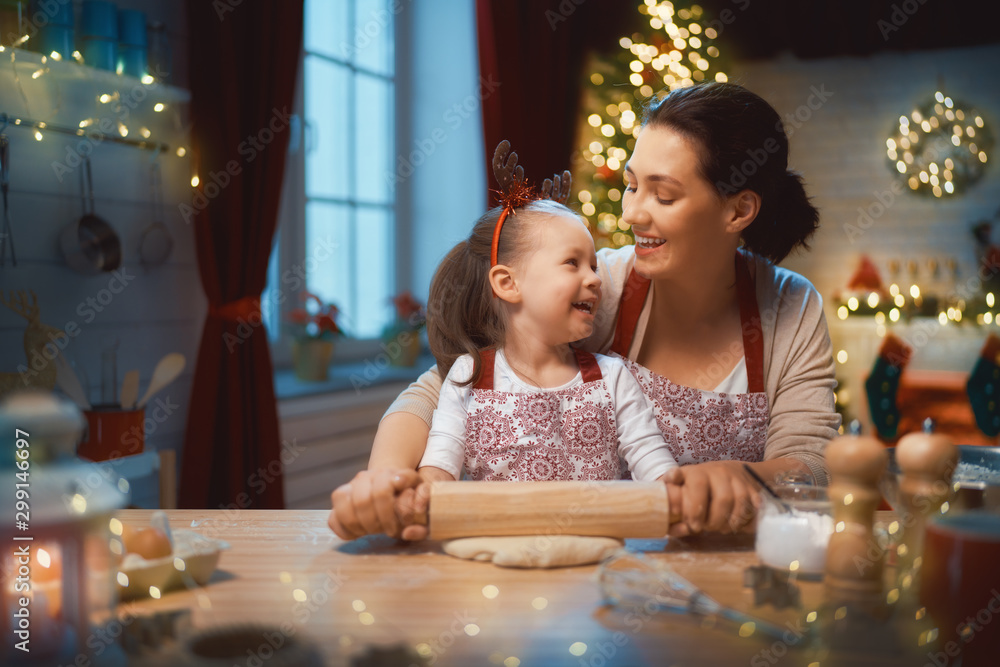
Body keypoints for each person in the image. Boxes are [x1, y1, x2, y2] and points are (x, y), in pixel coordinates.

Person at [329, 82, 840, 540]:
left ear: (738, 210)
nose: (633, 213)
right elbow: (438, 390)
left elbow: (810, 464)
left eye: (663, 195)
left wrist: (740, 476)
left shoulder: (790, 307)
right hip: (608, 572)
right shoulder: (603, 286)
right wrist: (385, 481)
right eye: (632, 184)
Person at [329, 142, 680, 540]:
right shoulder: (469, 375)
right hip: (491, 569)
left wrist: (681, 498)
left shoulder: (613, 377)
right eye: (573, 263)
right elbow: (438, 471)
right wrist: (411, 504)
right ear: (507, 283)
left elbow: (657, 470)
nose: (597, 278)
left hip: (596, 562)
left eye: (595, 265)